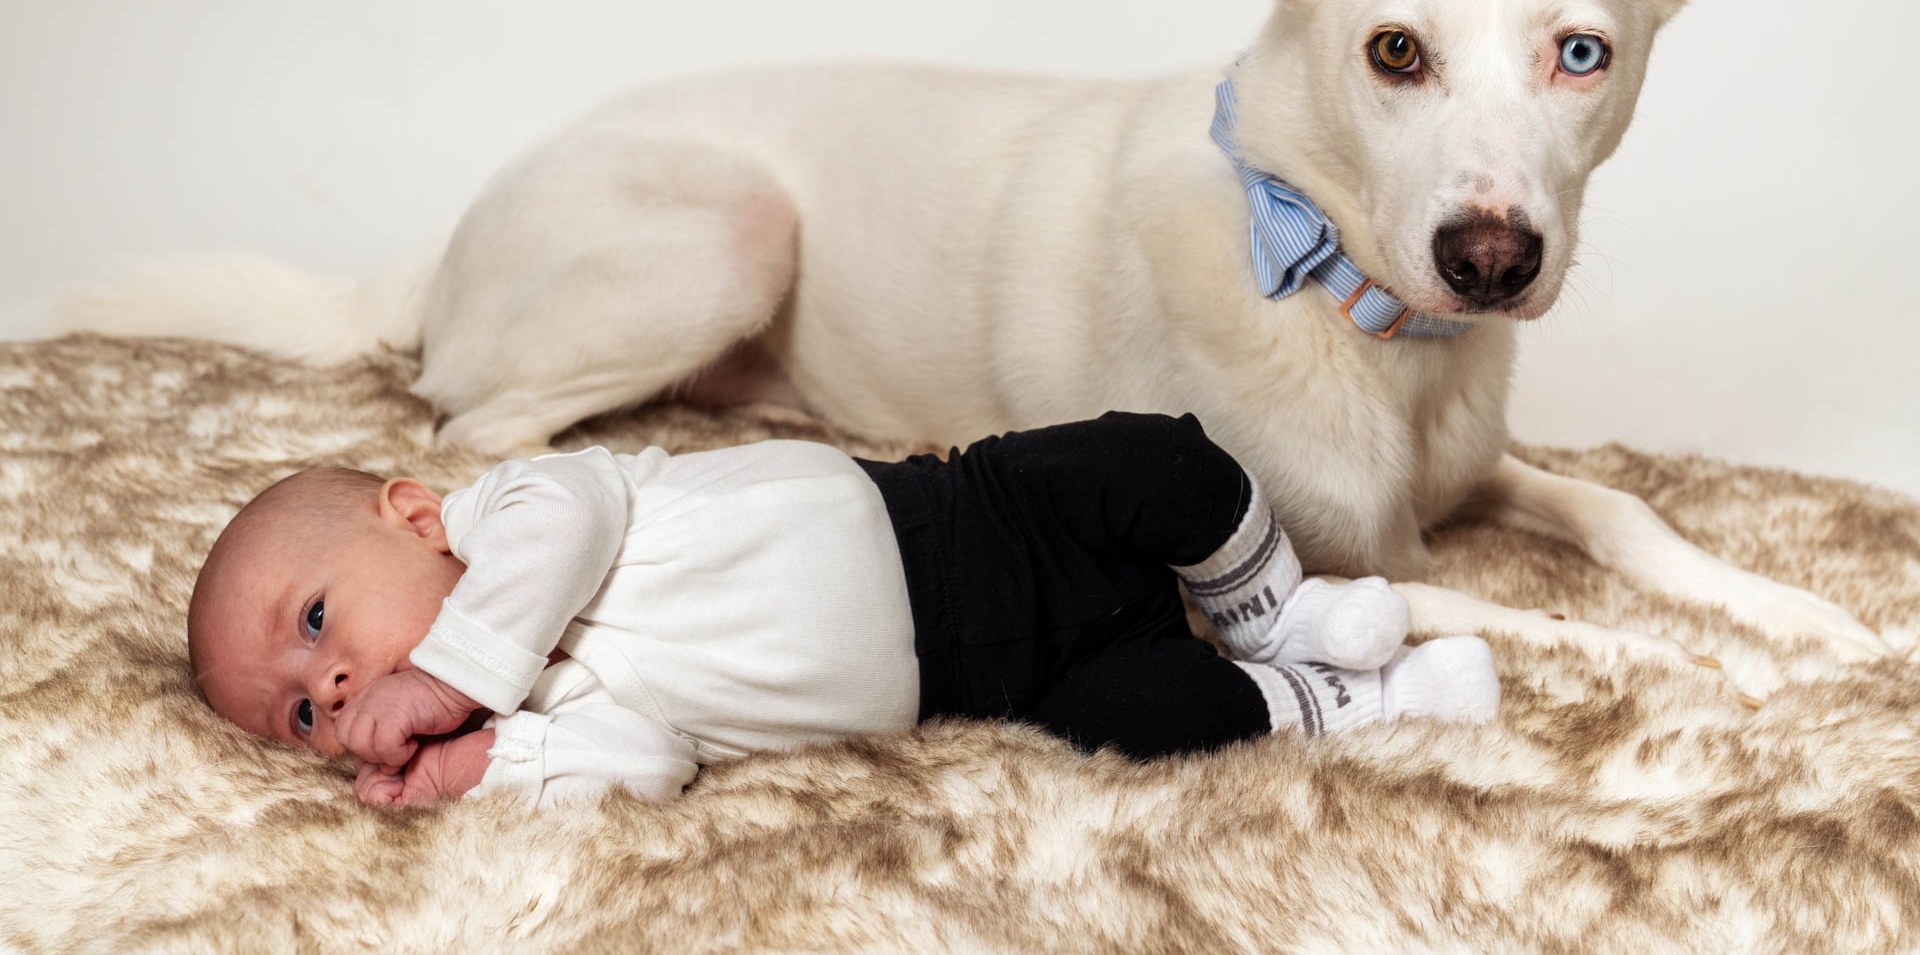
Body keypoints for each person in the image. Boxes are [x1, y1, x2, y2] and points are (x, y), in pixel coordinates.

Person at [187, 412, 1499, 808]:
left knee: (1154, 464)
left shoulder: (506, 514)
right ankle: (1338, 696)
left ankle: (1270, 601)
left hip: (968, 516)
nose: (337, 688)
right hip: (993, 681)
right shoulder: (533, 707)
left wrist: (455, 671)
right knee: (1140, 729)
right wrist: (483, 760)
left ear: (408, 516)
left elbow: (571, 529)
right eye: (300, 712)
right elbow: (641, 766)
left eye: (317, 624)